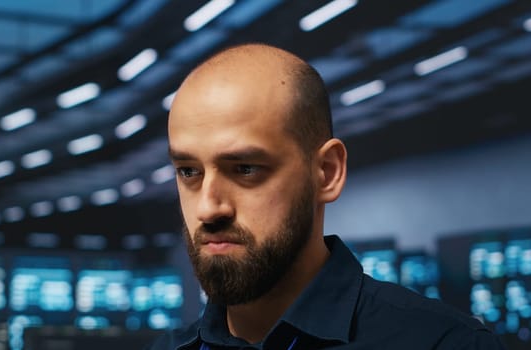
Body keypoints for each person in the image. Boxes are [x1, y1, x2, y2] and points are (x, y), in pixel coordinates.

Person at [148, 43, 505, 349]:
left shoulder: (444, 344)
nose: (209, 208)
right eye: (189, 171)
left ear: (328, 173)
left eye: (245, 168)